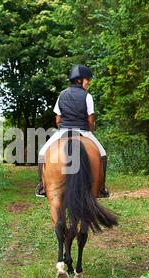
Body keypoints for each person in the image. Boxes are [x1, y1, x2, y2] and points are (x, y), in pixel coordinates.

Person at [35, 64, 110, 198]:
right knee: (102, 154)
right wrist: (90, 130)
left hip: (62, 131)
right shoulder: (87, 96)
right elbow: (91, 120)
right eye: (87, 80)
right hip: (83, 131)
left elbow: (58, 120)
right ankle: (101, 188)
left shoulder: (62, 95)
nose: (89, 83)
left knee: (42, 154)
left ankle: (42, 186)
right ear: (79, 80)